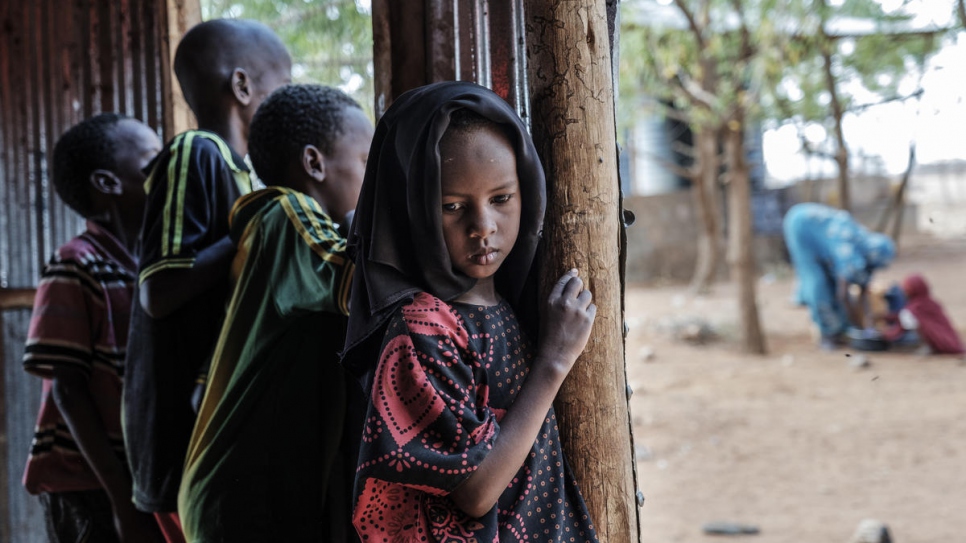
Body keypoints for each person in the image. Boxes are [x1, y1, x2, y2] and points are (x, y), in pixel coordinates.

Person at [343, 81, 600, 542]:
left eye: (501, 199)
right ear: (412, 210)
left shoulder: (508, 303)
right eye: (452, 207)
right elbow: (476, 490)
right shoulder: (422, 329)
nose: (483, 227)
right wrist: (555, 359)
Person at [177, 84, 373, 542]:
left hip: (238, 494)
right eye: (367, 163)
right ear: (313, 163)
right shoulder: (287, 213)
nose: (376, 179)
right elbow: (359, 287)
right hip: (240, 501)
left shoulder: (266, 239)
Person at [122, 18, 291, 542]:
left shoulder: (246, 175)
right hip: (181, 440)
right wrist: (258, 224)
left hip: (212, 428)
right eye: (281, 88)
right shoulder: (195, 151)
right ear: (242, 86)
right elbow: (159, 290)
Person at [22, 114, 163, 542]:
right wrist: (121, 501)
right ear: (109, 183)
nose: (169, 168)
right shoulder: (75, 264)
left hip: (136, 481)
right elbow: (67, 389)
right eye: (153, 159)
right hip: (88, 484)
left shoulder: (153, 265)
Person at [782, 202, 896, 350]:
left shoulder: (865, 250)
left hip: (818, 233)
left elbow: (863, 289)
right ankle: (827, 334)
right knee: (818, 282)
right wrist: (856, 326)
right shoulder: (847, 248)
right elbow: (843, 294)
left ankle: (840, 329)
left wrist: (867, 325)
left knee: (830, 282)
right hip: (801, 226)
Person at [882, 273, 965, 355]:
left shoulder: (913, 309)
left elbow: (901, 328)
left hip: (936, 343)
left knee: (905, 339)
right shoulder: (932, 303)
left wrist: (885, 336)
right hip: (951, 341)